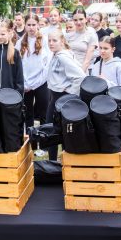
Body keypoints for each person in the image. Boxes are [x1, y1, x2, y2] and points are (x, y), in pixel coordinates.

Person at [45, 29, 86, 159]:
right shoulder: (56, 54)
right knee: (54, 129)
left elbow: (80, 76)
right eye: (49, 40)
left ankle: (59, 160)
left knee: (57, 130)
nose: (51, 43)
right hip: (54, 96)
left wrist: (70, 94)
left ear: (62, 41)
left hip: (61, 98)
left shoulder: (63, 57)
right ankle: (54, 160)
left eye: (54, 40)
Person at [16, 14, 51, 127]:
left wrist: (37, 82)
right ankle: (30, 136)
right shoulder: (20, 42)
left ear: (38, 25)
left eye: (34, 25)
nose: (31, 27)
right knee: (28, 113)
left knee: (44, 113)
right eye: (29, 25)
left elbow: (48, 65)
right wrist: (25, 83)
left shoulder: (45, 41)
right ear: (25, 25)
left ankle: (45, 136)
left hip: (41, 82)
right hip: (26, 84)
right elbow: (18, 65)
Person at [0, 20, 24, 94]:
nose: (0, 37)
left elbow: (19, 77)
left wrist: (18, 94)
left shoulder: (15, 53)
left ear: (9, 33)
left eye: (3, 34)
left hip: (10, 95)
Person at [66, 8, 97, 72]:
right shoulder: (68, 36)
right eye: (75, 20)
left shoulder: (91, 36)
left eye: (81, 19)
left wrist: (80, 74)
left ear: (86, 19)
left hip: (82, 70)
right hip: (68, 69)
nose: (78, 22)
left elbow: (87, 60)